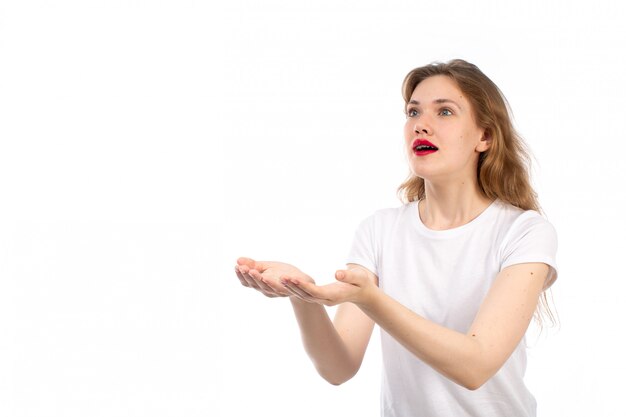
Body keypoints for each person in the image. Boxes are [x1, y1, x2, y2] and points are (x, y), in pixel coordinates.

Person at [234, 59, 558, 417]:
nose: (421, 125)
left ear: (485, 136)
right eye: (413, 112)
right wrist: (302, 294)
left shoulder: (524, 232)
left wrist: (372, 300)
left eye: (445, 112)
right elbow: (338, 367)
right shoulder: (380, 230)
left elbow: (475, 366)